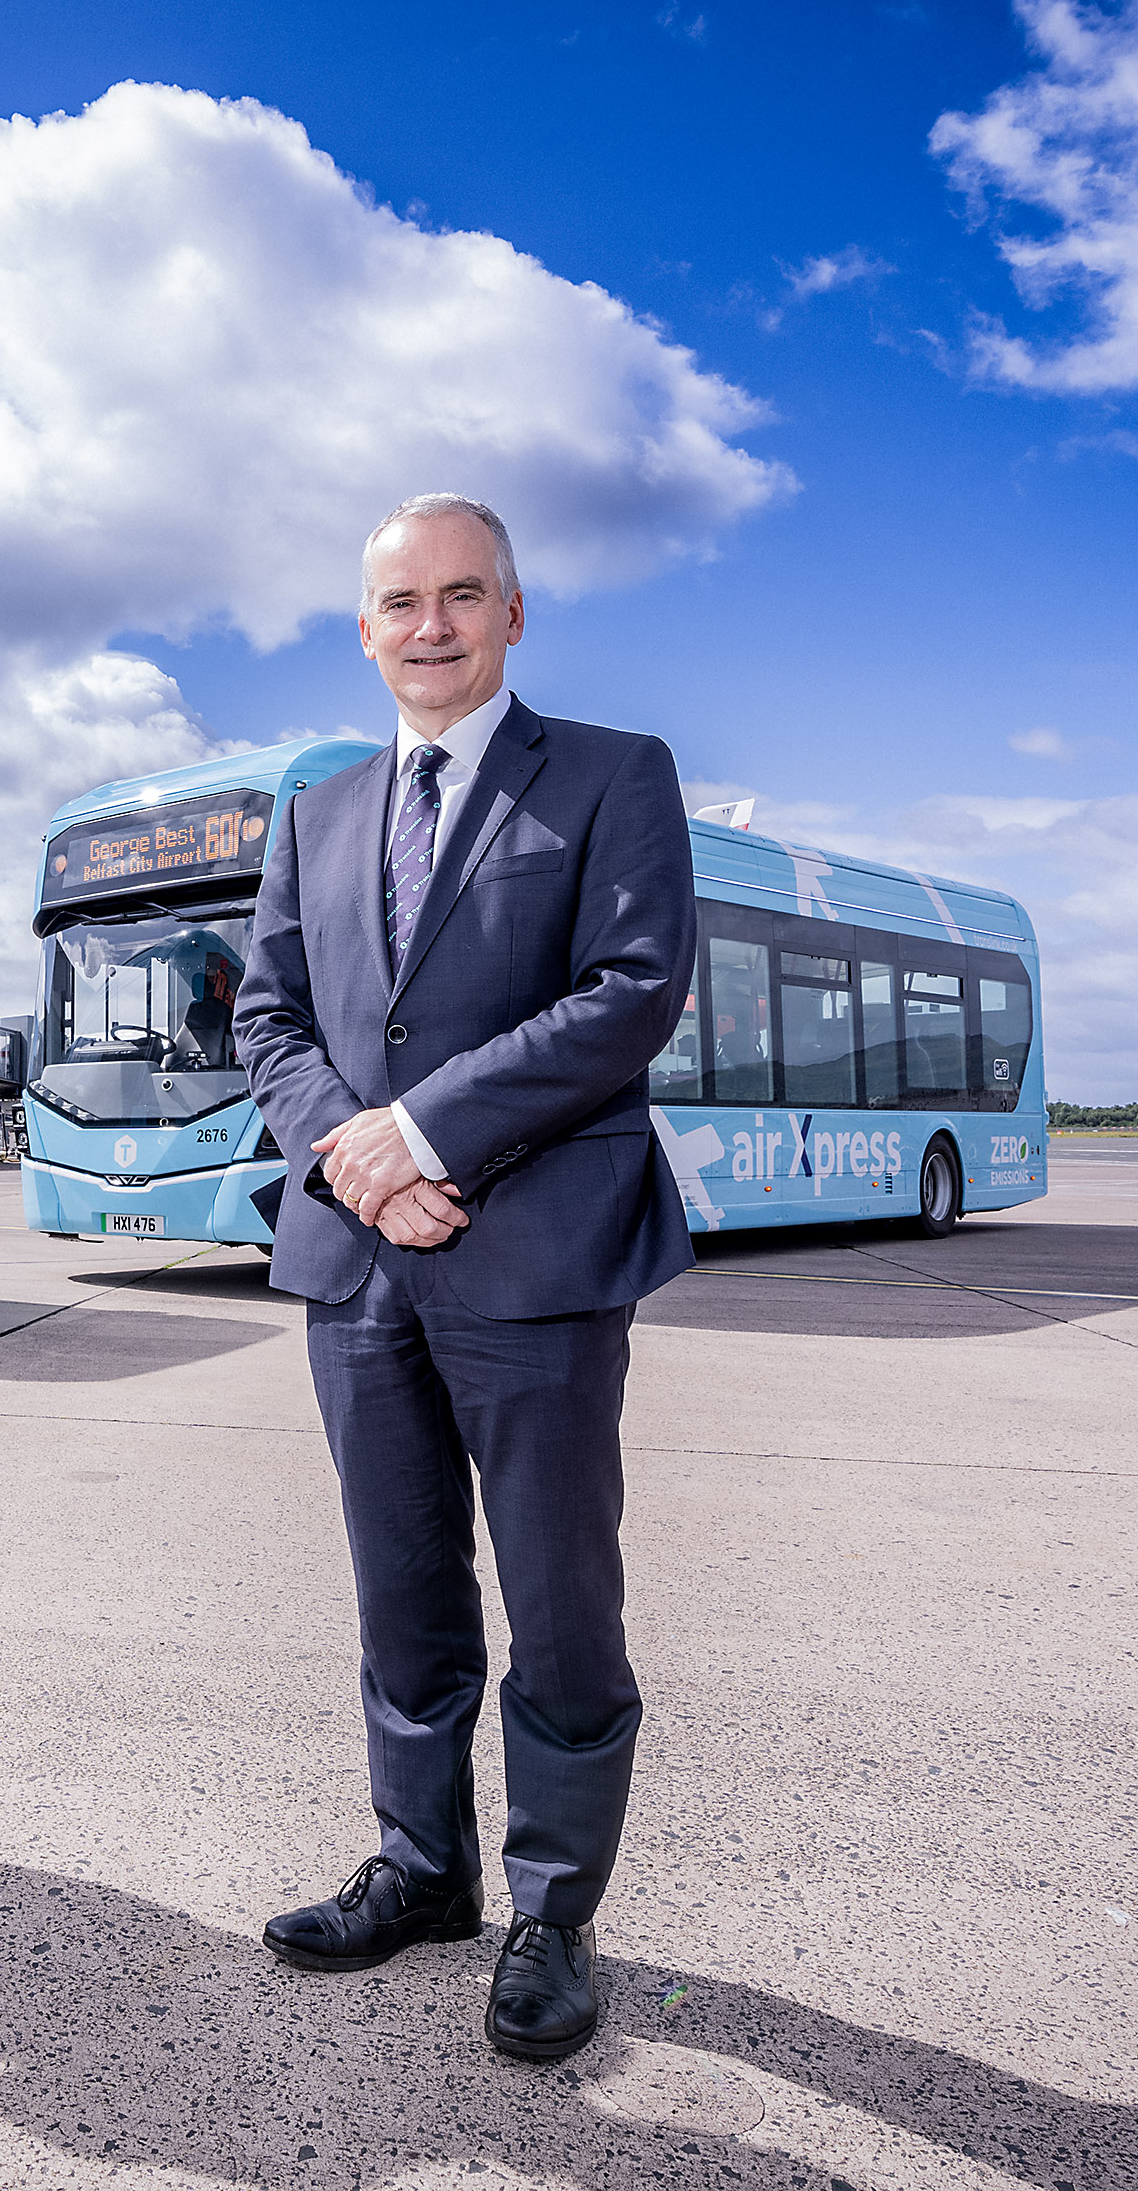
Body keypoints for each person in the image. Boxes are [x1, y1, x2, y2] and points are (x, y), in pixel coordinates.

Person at [231, 494, 700, 2062]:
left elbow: (631, 992)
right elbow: (270, 1020)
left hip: (542, 1255)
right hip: (356, 1264)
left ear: (513, 612)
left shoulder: (617, 776)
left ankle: (554, 1909)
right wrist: (353, 1154)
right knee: (403, 1588)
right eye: (396, 601)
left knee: (562, 1600)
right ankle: (423, 1868)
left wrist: (423, 1132)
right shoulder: (319, 810)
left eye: (459, 594)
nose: (427, 624)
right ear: (364, 627)